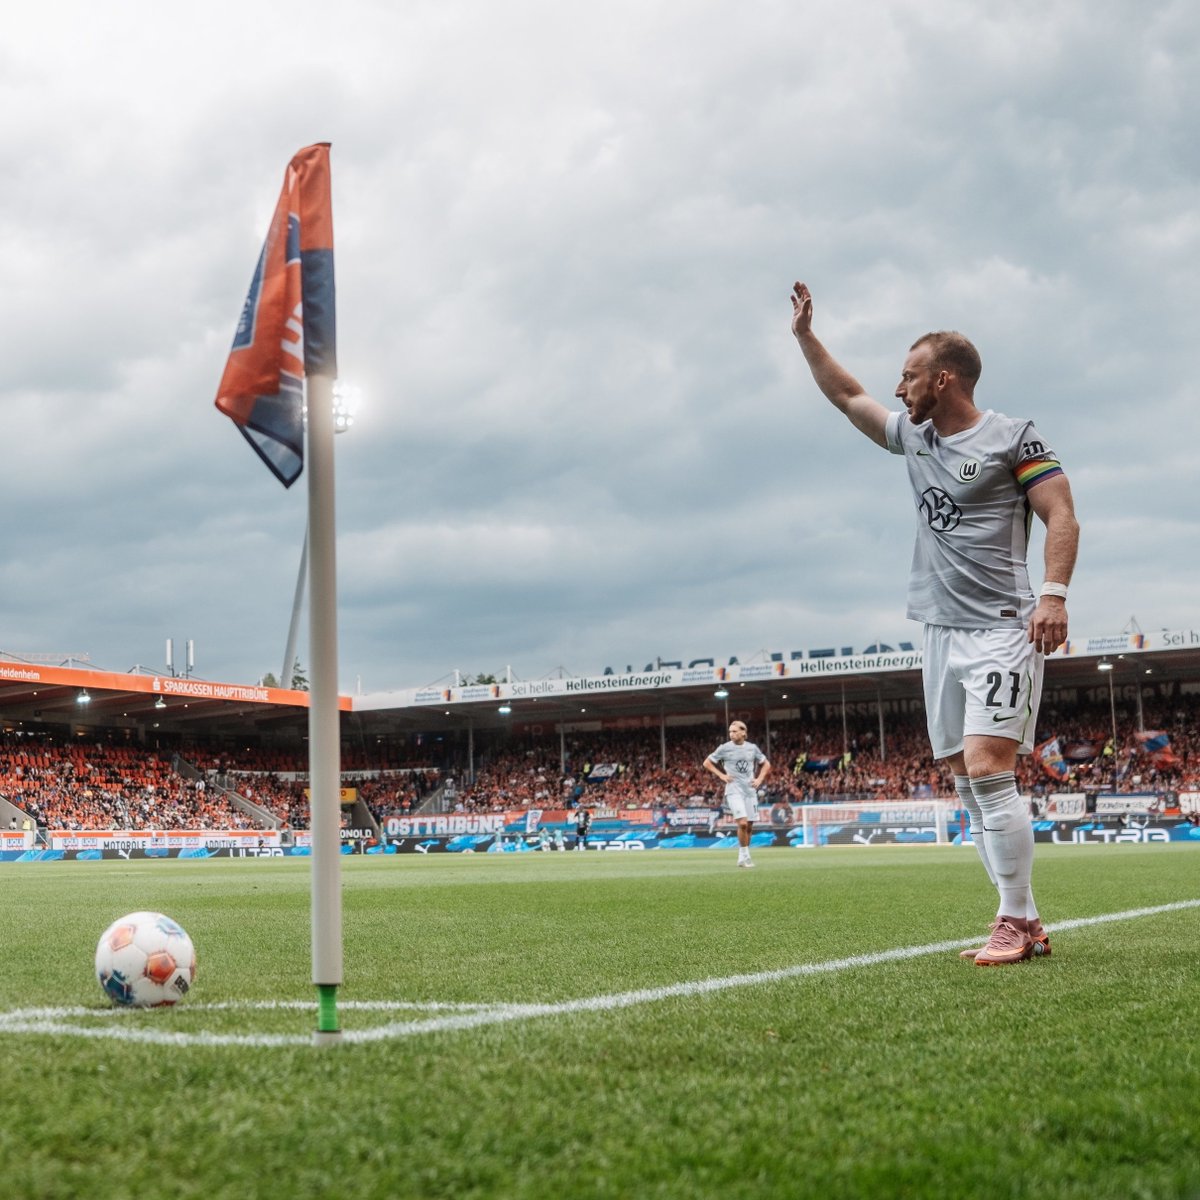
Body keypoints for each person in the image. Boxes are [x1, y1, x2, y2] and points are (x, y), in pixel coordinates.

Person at [790, 281, 1080, 965]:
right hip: (939, 632)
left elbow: (1060, 513)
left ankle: (1009, 917)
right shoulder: (914, 439)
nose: (899, 387)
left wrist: (1055, 594)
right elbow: (845, 395)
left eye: (911, 375)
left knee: (987, 768)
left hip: (1003, 626)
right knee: (961, 778)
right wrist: (805, 339)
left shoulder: (1013, 435)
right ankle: (1027, 920)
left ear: (943, 378)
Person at [704, 721, 771, 868]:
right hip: (734, 790)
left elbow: (766, 764)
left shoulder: (752, 748)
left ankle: (744, 856)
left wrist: (759, 779)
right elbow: (707, 763)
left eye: (734, 731)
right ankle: (743, 855)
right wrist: (721, 776)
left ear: (743, 733)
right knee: (742, 823)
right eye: (730, 731)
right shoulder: (724, 748)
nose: (731, 734)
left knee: (749, 827)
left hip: (750, 791)